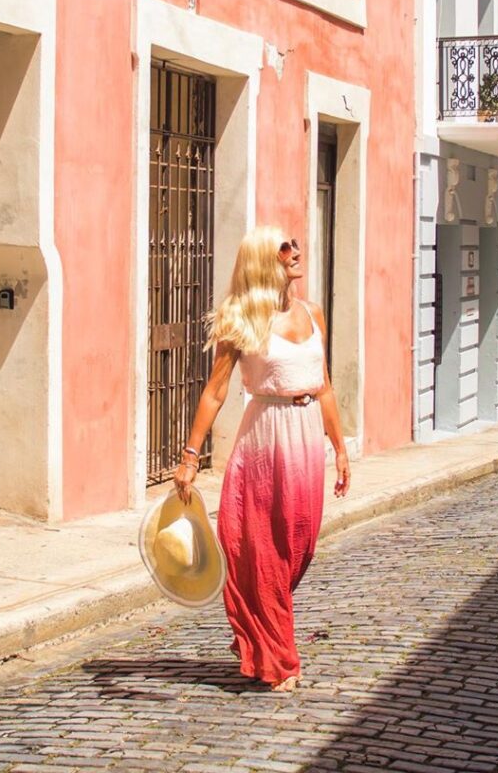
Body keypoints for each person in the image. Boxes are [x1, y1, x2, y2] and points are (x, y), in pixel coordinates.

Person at [172, 226, 351, 692]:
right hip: (263, 443)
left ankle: (261, 626)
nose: (296, 252)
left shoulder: (313, 313)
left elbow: (324, 383)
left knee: (300, 546)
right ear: (262, 262)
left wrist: (340, 445)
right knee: (264, 554)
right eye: (284, 248)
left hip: (306, 440)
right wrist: (191, 456)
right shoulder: (242, 320)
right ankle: (278, 659)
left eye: (295, 244)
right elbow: (215, 392)